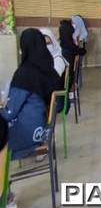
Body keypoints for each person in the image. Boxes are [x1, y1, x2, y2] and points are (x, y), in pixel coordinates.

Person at [1, 29, 61, 160]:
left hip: (27, 135)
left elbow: (9, 113)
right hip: (44, 130)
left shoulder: (23, 74)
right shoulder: (48, 68)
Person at [59, 19, 86, 90]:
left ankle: (68, 88)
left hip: (68, 53)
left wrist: (79, 50)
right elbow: (71, 47)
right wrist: (80, 50)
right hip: (68, 55)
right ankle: (67, 89)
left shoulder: (64, 28)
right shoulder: (67, 29)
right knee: (68, 73)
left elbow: (71, 45)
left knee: (69, 73)